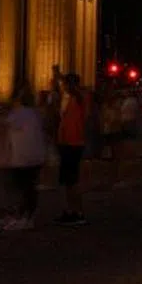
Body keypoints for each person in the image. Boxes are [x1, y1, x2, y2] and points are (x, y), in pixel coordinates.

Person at [2, 87, 47, 230]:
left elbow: (3, 126)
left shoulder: (20, 113)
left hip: (23, 158)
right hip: (35, 156)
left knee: (21, 189)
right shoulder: (35, 113)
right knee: (29, 188)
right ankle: (27, 217)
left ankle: (23, 218)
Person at [55, 72, 89, 226]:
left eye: (65, 84)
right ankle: (70, 211)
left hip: (73, 142)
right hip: (67, 142)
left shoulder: (80, 98)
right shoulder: (71, 98)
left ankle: (79, 212)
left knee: (73, 181)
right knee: (68, 181)